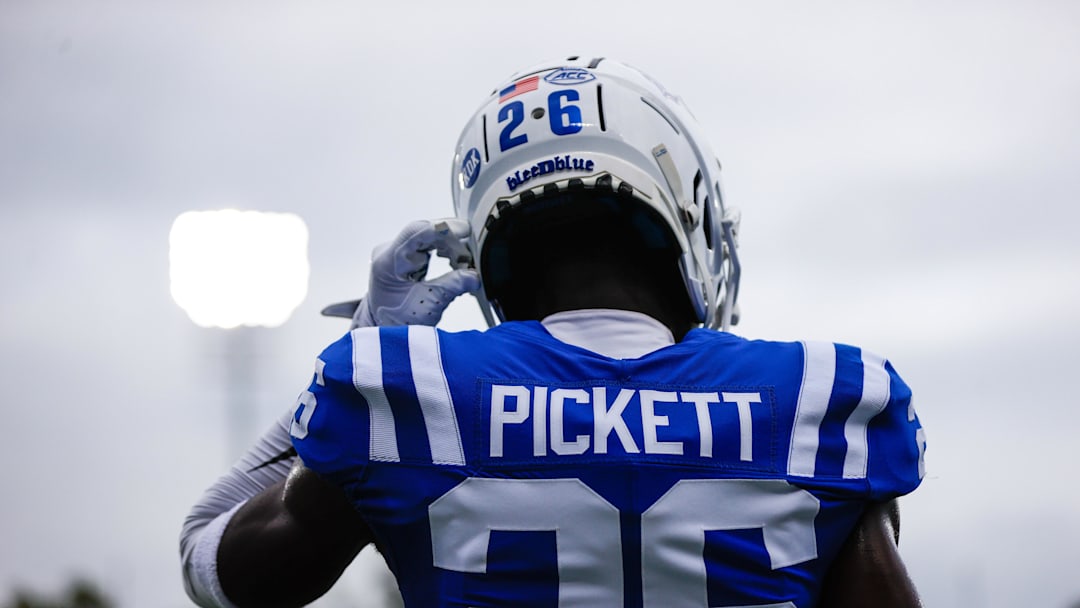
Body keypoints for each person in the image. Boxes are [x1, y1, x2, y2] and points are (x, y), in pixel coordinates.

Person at [180, 56, 927, 608]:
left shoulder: (408, 399)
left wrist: (363, 346)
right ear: (684, 212)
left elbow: (211, 560)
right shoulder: (824, 402)